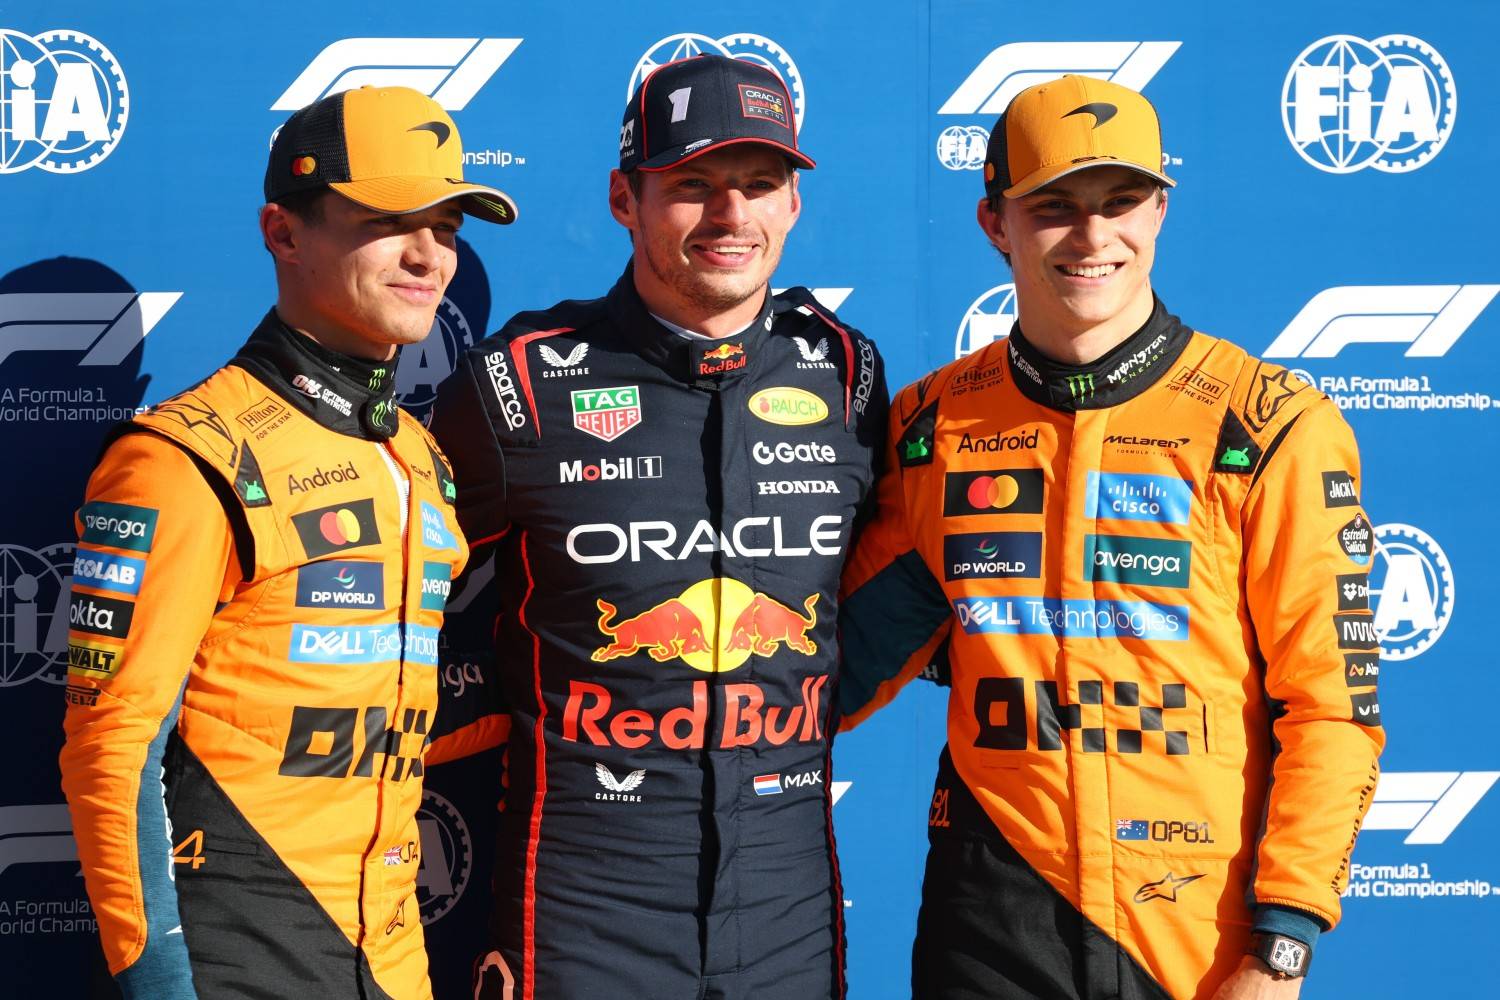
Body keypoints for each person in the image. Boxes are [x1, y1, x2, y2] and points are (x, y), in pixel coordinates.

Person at [838, 75, 1384, 1000]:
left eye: (1121, 202)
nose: (1094, 239)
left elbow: (1332, 709)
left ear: (1161, 210)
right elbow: (837, 665)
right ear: (994, 224)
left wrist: (1281, 945)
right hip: (991, 913)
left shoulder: (1269, 424)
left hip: (1200, 935)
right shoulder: (931, 424)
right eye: (1054, 207)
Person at [425, 53, 886, 1000]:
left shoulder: (844, 371)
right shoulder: (520, 382)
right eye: (692, 187)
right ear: (623, 199)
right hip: (587, 903)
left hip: (786, 900)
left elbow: (895, 592)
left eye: (760, 185)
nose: (732, 217)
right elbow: (394, 597)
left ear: (793, 205)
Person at [58, 85, 514, 999]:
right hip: (238, 960)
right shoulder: (183, 458)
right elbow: (111, 744)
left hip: (395, 962)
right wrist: (162, 987)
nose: (430, 254)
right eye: (391, 219)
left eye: (449, 225)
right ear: (284, 230)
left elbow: (402, 705)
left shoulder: (420, 456)